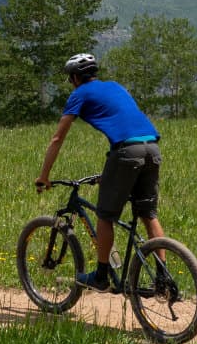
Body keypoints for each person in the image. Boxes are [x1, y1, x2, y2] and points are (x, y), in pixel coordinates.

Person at [34, 53, 163, 292]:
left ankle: (101, 276)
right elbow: (125, 122)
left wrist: (43, 176)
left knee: (105, 216)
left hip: (126, 152)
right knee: (148, 215)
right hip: (151, 147)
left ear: (74, 78)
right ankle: (162, 279)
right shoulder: (116, 87)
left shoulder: (79, 94)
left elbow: (57, 138)